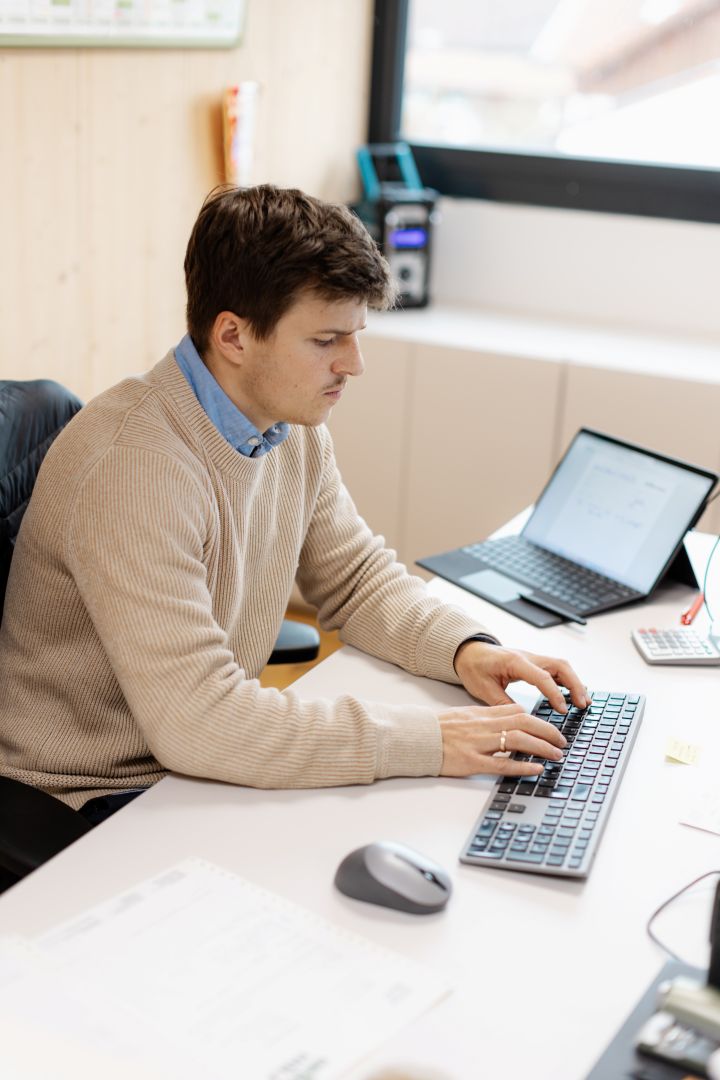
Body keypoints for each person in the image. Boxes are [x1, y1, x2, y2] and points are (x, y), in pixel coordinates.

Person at [0, 184, 588, 824]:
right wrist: (433, 740)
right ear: (233, 335)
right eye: (326, 340)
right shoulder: (132, 467)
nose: (354, 364)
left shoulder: (289, 430)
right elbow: (199, 721)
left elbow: (358, 582)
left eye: (356, 335)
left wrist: (468, 651)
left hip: (187, 764)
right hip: (90, 793)